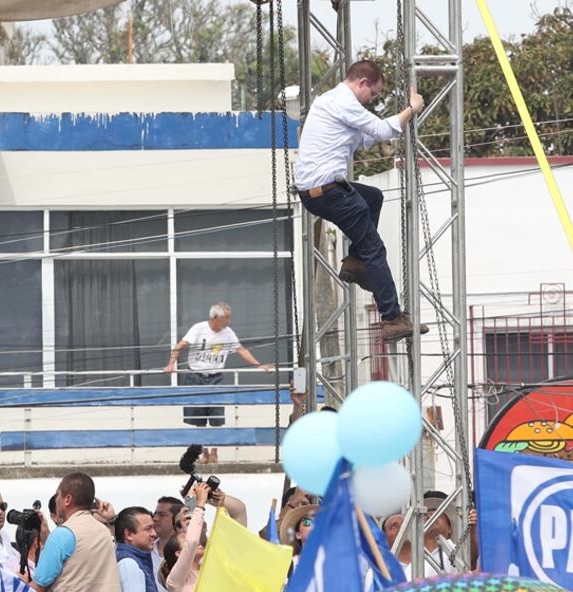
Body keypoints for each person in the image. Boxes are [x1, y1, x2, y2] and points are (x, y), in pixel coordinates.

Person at [293, 59, 430, 342]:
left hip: (320, 191)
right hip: (328, 191)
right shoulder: (343, 102)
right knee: (375, 250)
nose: (373, 100)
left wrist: (397, 123)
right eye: (374, 94)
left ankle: (355, 262)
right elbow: (382, 130)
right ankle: (392, 318)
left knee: (372, 197)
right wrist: (412, 109)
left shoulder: (333, 103)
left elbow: (365, 138)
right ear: (362, 83)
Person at [28, 473, 126, 592]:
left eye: (57, 495)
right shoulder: (104, 534)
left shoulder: (63, 534)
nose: (55, 500)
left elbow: (39, 588)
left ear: (67, 499)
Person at [163, 302, 272, 427]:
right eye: (226, 318)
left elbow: (241, 349)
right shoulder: (199, 328)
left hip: (216, 378)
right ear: (215, 317)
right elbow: (180, 345)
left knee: (217, 418)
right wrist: (170, 364)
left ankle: (214, 447)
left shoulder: (228, 332)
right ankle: (201, 447)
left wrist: (259, 365)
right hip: (195, 377)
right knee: (197, 418)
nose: (228, 321)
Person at [165, 484, 209, 592]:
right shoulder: (175, 580)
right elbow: (192, 541)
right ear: (178, 554)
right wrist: (200, 505)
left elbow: (197, 535)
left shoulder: (208, 567)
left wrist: (191, 500)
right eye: (184, 538)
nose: (197, 543)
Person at [151, 496, 184, 573]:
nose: (155, 518)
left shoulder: (187, 553)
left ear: (177, 519)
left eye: (162, 515)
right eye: (155, 514)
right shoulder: (144, 550)